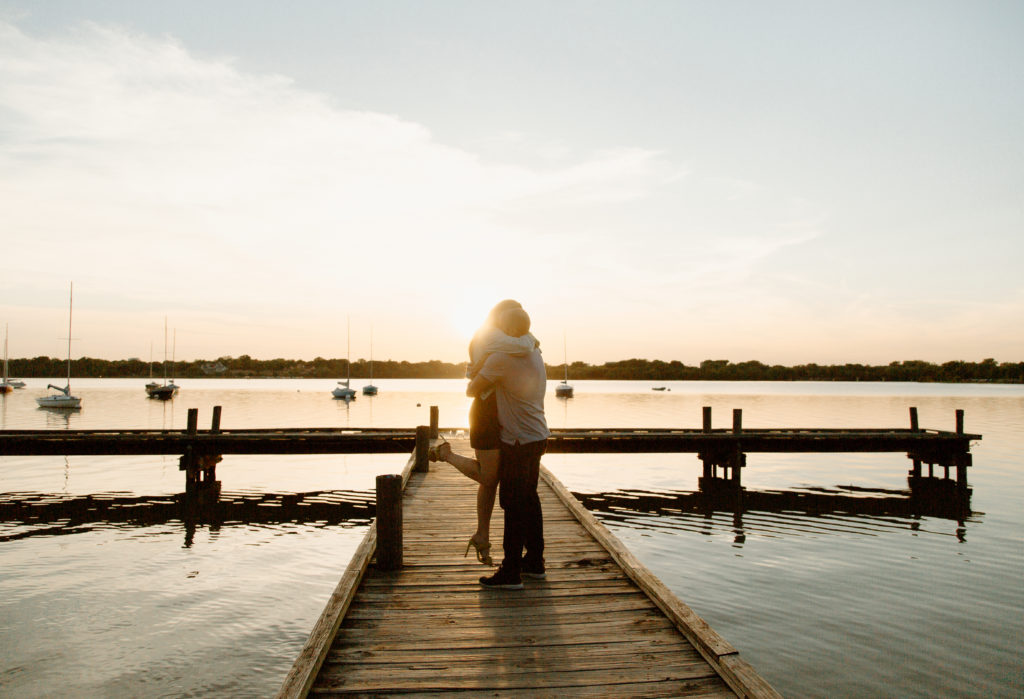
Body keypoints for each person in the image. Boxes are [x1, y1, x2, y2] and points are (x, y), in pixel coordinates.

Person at [430, 300, 538, 565]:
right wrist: (533, 340)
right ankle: (447, 455)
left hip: (499, 411)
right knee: (490, 476)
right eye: (512, 320)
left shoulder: (498, 336)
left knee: (492, 479)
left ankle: (482, 535)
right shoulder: (491, 336)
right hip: (485, 413)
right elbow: (522, 345)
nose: (516, 327)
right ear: (501, 316)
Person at [467, 305, 549, 590]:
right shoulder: (534, 350)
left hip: (517, 440)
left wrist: (478, 370)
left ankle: (511, 571)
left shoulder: (500, 358)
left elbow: (471, 390)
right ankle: (535, 562)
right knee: (529, 500)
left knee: (513, 505)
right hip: (538, 435)